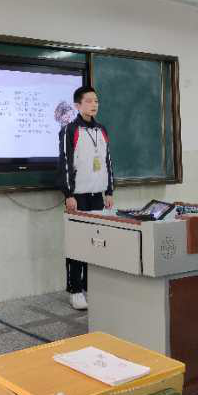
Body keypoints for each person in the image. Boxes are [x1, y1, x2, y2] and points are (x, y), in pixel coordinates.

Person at [57, 85, 114, 310]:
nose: (94, 105)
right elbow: (64, 163)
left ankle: (92, 287)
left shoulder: (101, 130)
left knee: (96, 243)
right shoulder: (70, 130)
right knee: (77, 244)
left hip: (97, 195)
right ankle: (75, 290)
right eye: (89, 101)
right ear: (77, 105)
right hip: (78, 196)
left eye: (96, 101)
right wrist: (68, 193)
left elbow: (108, 161)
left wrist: (109, 190)